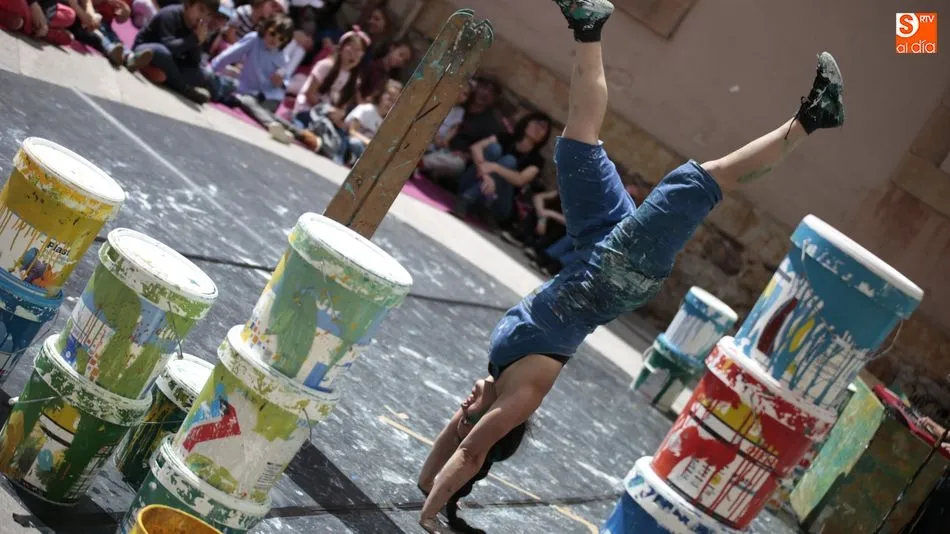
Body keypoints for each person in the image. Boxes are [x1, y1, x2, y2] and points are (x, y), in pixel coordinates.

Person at [415, 0, 846, 531]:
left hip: (592, 248)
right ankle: (812, 118)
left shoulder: (491, 380)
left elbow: (446, 449)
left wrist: (426, 485)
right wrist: (432, 518)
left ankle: (589, 25)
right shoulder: (518, 397)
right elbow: (470, 453)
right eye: (469, 417)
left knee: (575, 142)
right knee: (700, 182)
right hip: (621, 271)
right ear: (487, 425)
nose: (463, 406)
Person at [452, 111, 552, 226]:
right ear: (527, 123)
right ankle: (469, 196)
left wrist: (495, 168)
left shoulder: (537, 160)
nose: (537, 128)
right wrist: (486, 177)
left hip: (495, 204)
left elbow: (520, 180)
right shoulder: (505, 138)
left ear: (544, 137)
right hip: (470, 184)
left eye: (543, 127)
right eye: (536, 123)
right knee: (494, 148)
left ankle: (468, 198)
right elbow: (475, 148)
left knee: (509, 161)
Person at [211, 14, 293, 133]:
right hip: (247, 91)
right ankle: (288, 129)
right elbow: (229, 55)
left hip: (269, 98)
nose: (275, 40)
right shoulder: (254, 39)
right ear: (265, 29)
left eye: (281, 39)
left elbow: (285, 82)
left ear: (285, 42)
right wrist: (211, 70)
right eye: (273, 33)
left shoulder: (283, 58)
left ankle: (273, 125)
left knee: (250, 104)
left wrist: (281, 82)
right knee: (249, 102)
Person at [131, 0, 221, 103]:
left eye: (208, 15)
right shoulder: (170, 14)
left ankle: (164, 77)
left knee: (202, 75)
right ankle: (183, 88)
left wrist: (198, 43)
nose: (203, 17)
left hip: (171, 62)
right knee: (161, 52)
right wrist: (193, 39)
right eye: (201, 10)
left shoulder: (195, 27)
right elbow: (168, 46)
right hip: (148, 50)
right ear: (188, 4)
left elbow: (193, 63)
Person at [420, 76, 504, 186]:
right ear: (477, 86)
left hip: (451, 157)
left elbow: (481, 152)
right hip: (432, 140)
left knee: (457, 163)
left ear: (494, 98)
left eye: (491, 91)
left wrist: (466, 156)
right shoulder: (460, 101)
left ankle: (420, 164)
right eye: (484, 87)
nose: (485, 93)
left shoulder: (490, 124)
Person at [344, 79, 400, 163]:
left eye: (394, 102)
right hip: (352, 143)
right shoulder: (367, 109)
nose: (390, 104)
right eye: (389, 99)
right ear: (381, 95)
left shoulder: (387, 122)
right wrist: (367, 142)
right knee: (356, 144)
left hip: (369, 151)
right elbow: (351, 131)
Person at [0, 0, 76, 45]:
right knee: (18, 3)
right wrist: (33, 4)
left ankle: (31, 26)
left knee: (70, 14)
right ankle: (37, 30)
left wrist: (44, 21)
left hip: (36, 8)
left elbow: (50, 4)